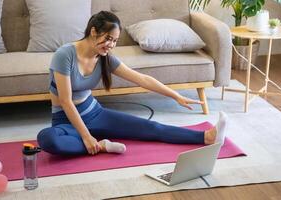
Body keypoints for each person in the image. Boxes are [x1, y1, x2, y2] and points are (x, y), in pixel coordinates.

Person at [37, 11, 228, 156]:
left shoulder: (104, 57)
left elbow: (142, 79)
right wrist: (86, 136)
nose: (110, 45)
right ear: (94, 32)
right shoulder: (65, 55)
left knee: (152, 129)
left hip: (96, 114)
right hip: (66, 121)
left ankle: (206, 137)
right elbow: (66, 101)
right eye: (108, 39)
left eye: (115, 41)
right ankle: (101, 145)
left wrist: (175, 95)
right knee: (47, 139)